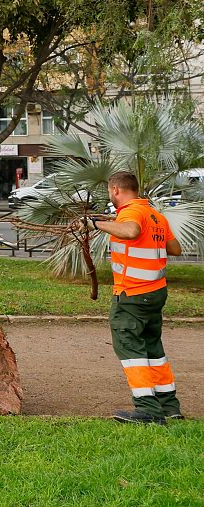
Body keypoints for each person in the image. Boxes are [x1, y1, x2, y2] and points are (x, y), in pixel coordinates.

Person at [78, 171, 183, 424]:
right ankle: (170, 406)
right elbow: (175, 248)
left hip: (132, 295)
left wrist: (94, 224)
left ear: (115, 190)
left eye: (109, 192)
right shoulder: (156, 216)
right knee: (153, 348)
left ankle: (148, 410)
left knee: (131, 349)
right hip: (155, 293)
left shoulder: (131, 213)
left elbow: (131, 230)